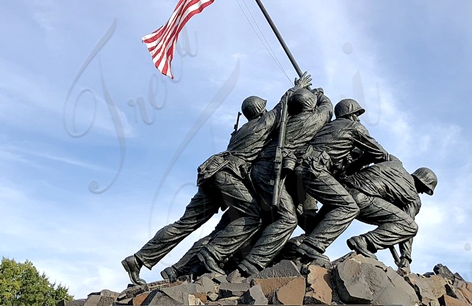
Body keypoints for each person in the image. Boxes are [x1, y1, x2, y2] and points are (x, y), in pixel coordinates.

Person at [121, 92, 283, 286]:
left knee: (184, 224)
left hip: (212, 172)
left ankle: (138, 259)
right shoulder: (262, 123)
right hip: (227, 176)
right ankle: (212, 254)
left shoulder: (241, 131)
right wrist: (299, 87)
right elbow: (282, 108)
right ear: (260, 110)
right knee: (253, 216)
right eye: (263, 108)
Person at [235, 86, 333, 276]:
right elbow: (327, 109)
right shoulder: (311, 120)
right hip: (270, 172)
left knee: (298, 215)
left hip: (272, 173)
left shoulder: (282, 124)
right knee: (288, 219)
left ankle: (301, 250)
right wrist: (320, 94)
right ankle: (251, 264)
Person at [292, 98, 389, 261]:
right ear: (350, 114)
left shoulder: (328, 126)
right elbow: (380, 154)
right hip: (313, 168)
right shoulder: (354, 127)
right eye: (357, 115)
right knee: (349, 206)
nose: (358, 119)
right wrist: (360, 163)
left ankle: (301, 241)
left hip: (301, 166)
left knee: (328, 207)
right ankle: (312, 246)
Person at [340, 158, 437, 271]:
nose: (422, 193)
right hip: (362, 198)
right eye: (424, 189)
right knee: (411, 226)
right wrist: (405, 258)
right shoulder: (413, 197)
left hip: (342, 188)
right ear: (422, 183)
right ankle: (364, 242)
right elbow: (407, 226)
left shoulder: (395, 165)